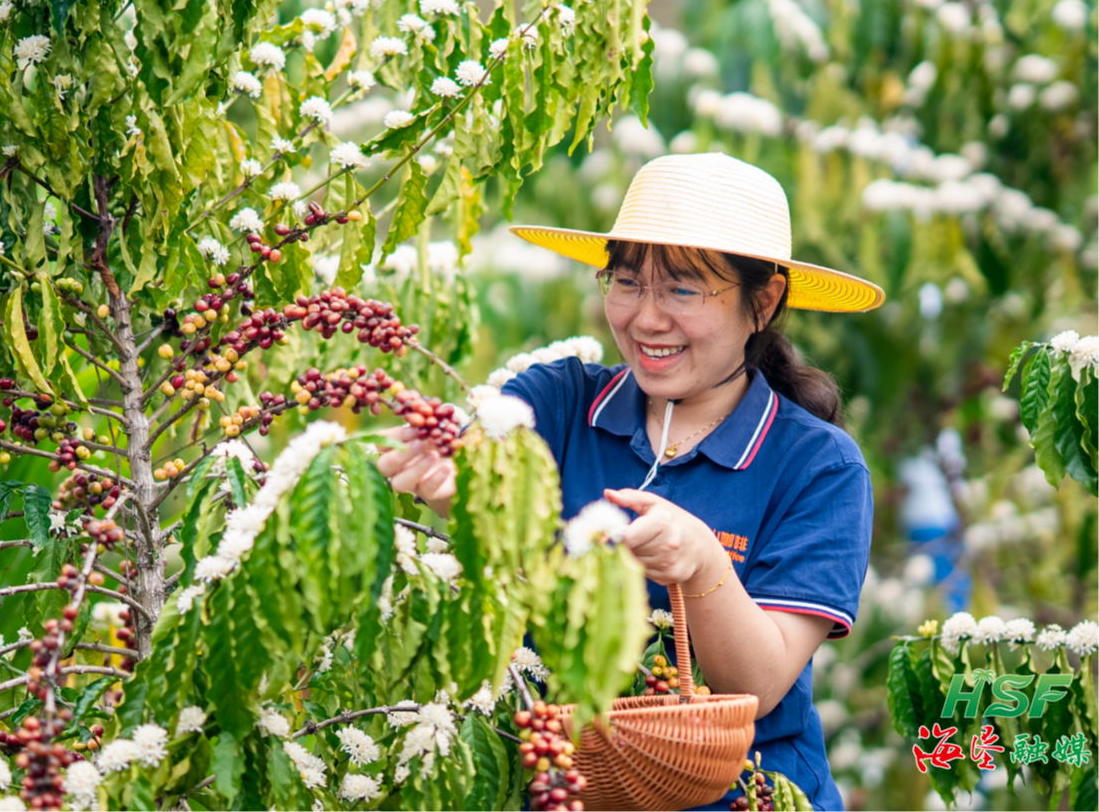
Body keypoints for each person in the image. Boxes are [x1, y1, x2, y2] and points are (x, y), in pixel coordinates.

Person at [376, 153, 883, 811]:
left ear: (763, 301)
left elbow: (757, 680)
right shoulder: (556, 399)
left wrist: (700, 563)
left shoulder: (818, 466)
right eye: (624, 282)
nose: (645, 318)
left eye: (681, 289)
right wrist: (457, 485)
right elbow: (490, 463)